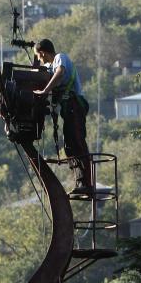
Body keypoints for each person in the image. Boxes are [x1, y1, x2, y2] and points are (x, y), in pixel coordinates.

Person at [33, 39, 93, 194]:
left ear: (43, 53)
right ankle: (81, 183)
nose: (39, 59)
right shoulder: (50, 66)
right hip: (69, 110)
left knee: (76, 141)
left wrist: (45, 91)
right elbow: (45, 72)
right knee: (69, 146)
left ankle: (86, 183)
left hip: (75, 106)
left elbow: (60, 73)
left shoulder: (61, 58)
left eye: (38, 56)